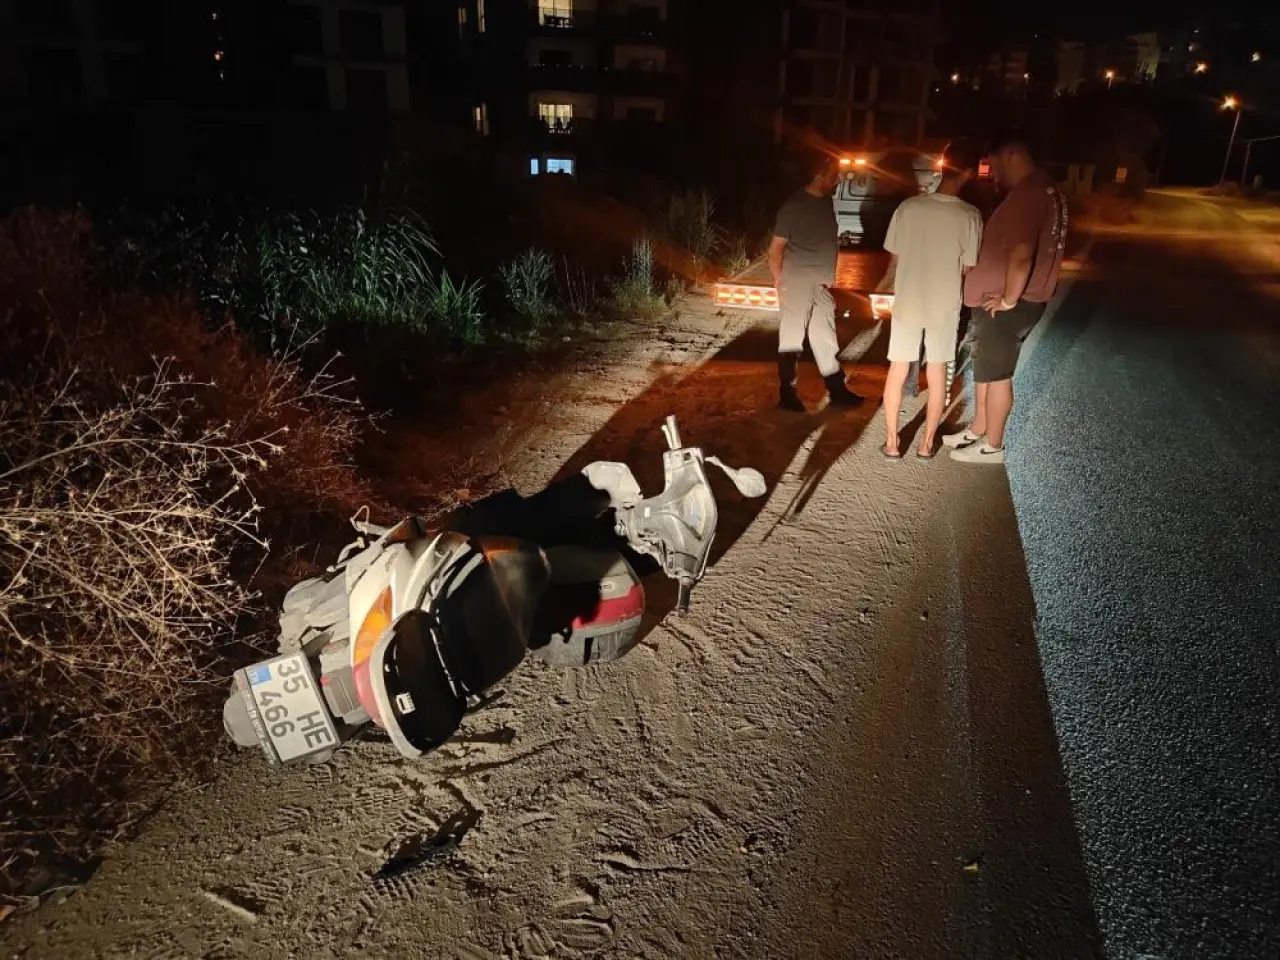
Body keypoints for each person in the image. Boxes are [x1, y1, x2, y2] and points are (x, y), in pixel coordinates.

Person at [946, 141, 1068, 465]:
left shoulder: (1028, 194)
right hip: (1002, 302)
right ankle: (979, 428)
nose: (993, 173)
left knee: (998, 375)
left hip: (1008, 305)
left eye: (995, 164)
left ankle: (993, 445)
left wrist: (1009, 299)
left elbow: (1022, 253)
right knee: (986, 369)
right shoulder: (1045, 189)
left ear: (1011, 155)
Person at [875, 152, 983, 459]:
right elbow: (968, 267)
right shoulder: (970, 215)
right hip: (944, 303)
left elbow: (894, 256)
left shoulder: (908, 207)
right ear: (967, 174)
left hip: (909, 298)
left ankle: (892, 443)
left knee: (898, 369)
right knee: (938, 373)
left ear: (942, 169)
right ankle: (926, 445)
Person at [767, 152, 861, 412]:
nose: (839, 180)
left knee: (825, 337)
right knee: (791, 339)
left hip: (820, 284)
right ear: (820, 175)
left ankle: (837, 389)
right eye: (835, 175)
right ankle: (787, 393)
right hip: (797, 282)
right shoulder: (793, 207)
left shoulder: (824, 202)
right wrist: (781, 282)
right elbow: (775, 249)